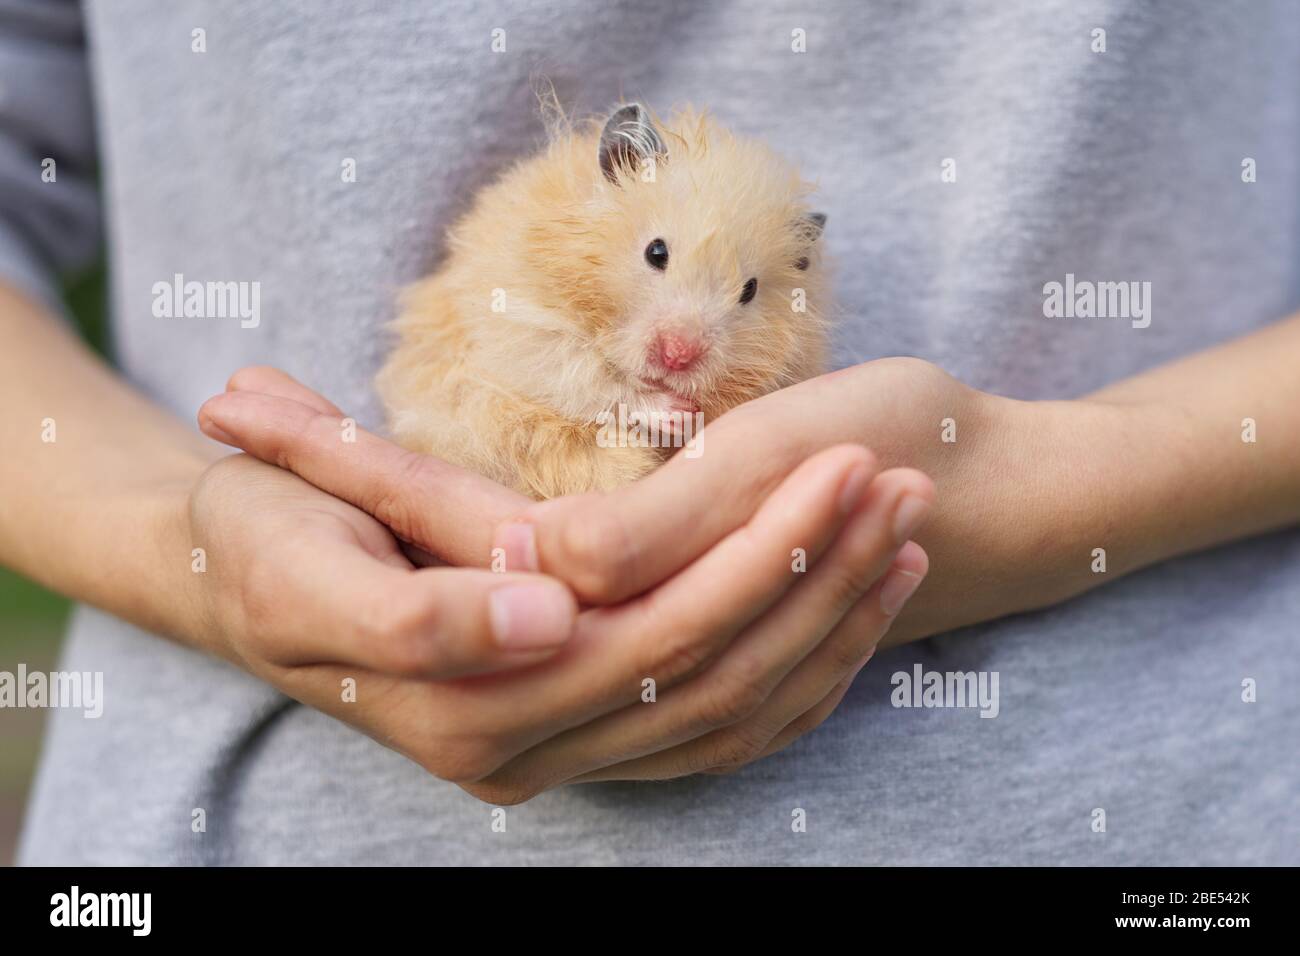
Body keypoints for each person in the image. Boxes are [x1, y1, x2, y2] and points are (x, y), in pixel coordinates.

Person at [3, 0, 1296, 865]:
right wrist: (182, 546)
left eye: (741, 300)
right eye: (664, 261)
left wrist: (1070, 493)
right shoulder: (539, 240)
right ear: (611, 178)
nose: (689, 337)